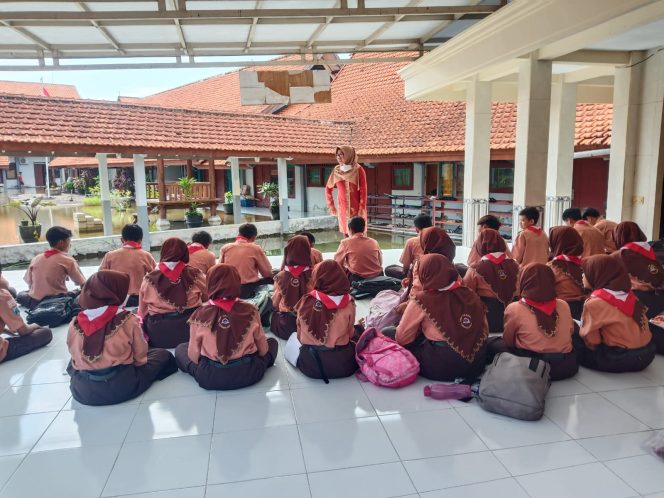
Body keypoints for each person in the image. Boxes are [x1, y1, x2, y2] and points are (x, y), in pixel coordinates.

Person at [67, 270, 177, 406]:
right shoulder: (127, 320)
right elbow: (140, 358)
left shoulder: (74, 323)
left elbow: (73, 358)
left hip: (83, 391)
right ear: (114, 293)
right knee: (162, 355)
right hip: (123, 386)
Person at [175, 264, 278, 390]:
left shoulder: (199, 315)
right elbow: (263, 349)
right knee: (272, 343)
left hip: (211, 376)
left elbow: (193, 357)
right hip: (249, 373)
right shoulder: (250, 310)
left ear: (209, 284)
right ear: (237, 282)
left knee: (181, 349)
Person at [395, 254, 488, 381]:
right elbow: (484, 331)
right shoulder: (471, 294)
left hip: (441, 365)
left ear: (424, 274)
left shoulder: (422, 299)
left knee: (389, 332)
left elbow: (402, 338)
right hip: (476, 364)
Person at [487, 264, 578, 381]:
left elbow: (508, 341)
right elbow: (570, 332)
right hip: (566, 366)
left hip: (531, 367)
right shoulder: (563, 304)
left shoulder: (515, 308)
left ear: (523, 281)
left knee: (492, 343)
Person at [576, 254, 655, 372]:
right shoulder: (631, 295)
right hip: (647, 355)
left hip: (618, 360)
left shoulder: (595, 303)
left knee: (575, 340)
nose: (582, 276)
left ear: (597, 274)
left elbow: (592, 341)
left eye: (585, 272)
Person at [295, 260, 358, 380]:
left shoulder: (306, 301)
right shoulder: (349, 303)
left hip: (311, 365)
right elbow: (350, 333)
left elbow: (299, 336)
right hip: (343, 365)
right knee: (358, 331)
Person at [138, 238, 206, 348]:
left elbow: (142, 311)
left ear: (163, 252)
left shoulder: (148, 279)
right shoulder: (195, 274)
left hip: (160, 335)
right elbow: (213, 292)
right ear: (185, 253)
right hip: (191, 331)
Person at [462, 229, 519, 333]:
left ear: (479, 245)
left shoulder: (476, 268)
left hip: (489, 322)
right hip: (514, 321)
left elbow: (465, 294)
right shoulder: (517, 267)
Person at [17, 226, 86, 310]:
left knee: (21, 295)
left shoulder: (36, 258)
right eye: (68, 241)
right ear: (61, 242)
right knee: (80, 292)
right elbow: (83, 283)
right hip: (57, 301)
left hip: (35, 302)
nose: (70, 245)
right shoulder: (68, 260)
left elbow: (29, 283)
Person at [613, 221, 664, 321]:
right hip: (659, 299)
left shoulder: (620, 255)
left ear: (619, 236)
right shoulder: (652, 249)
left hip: (637, 302)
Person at [98, 224, 155, 307]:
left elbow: (99, 278)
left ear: (122, 240)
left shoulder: (109, 255)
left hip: (116, 299)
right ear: (140, 240)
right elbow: (156, 278)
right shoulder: (146, 256)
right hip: (138, 299)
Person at [271, 235, 313, 339]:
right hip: (310, 325)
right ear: (308, 251)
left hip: (287, 327)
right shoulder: (316, 274)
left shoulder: (280, 276)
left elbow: (275, 304)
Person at [219, 223, 273, 298]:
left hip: (228, 288)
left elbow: (219, 270)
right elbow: (267, 273)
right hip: (246, 288)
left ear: (239, 234)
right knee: (273, 279)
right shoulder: (255, 248)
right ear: (254, 237)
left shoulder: (225, 248)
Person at [0, 288, 52, 364]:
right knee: (46, 332)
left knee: (17, 293)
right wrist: (34, 326)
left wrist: (7, 331)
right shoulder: (3, 295)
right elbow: (23, 331)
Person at [326, 146, 368, 235]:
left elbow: (363, 191)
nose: (339, 157)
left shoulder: (358, 170)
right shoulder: (336, 170)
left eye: (341, 154)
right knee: (345, 234)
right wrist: (331, 206)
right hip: (343, 209)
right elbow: (328, 188)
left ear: (349, 155)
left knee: (358, 236)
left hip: (356, 210)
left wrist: (361, 209)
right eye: (337, 155)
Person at [547, 226, 587, 319]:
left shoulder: (552, 266)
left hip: (561, 312)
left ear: (556, 242)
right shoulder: (586, 263)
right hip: (585, 310)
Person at [334, 216, 383, 282]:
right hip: (378, 276)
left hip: (358, 279)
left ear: (351, 229)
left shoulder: (345, 242)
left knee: (341, 270)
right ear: (364, 229)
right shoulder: (374, 241)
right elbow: (380, 262)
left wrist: (346, 264)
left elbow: (337, 264)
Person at [408, 226, 456, 293]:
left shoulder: (424, 261)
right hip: (448, 298)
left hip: (426, 299)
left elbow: (417, 290)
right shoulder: (449, 257)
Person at [386, 213, 432, 280]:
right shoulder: (440, 240)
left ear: (416, 229)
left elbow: (406, 266)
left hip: (417, 276)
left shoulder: (412, 242)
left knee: (389, 269)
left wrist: (406, 278)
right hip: (436, 275)